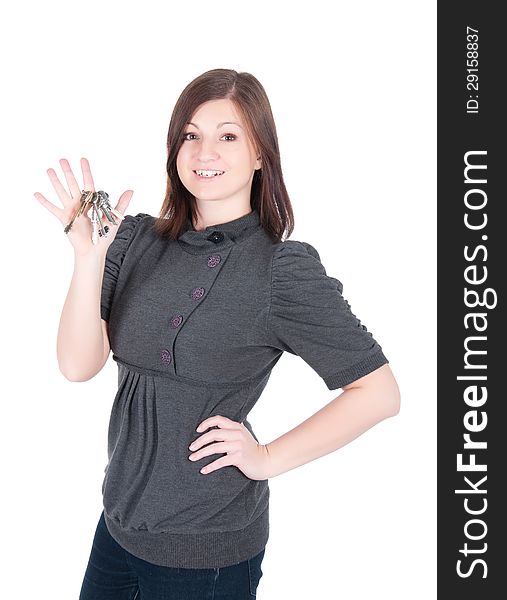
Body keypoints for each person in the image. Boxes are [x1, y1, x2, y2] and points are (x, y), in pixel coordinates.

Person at [35, 68, 400, 600]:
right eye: (191, 135)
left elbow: (379, 392)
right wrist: (88, 258)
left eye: (228, 136)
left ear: (260, 154)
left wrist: (267, 456)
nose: (205, 152)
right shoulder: (134, 238)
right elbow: (77, 365)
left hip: (206, 553)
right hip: (117, 529)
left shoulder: (280, 269)